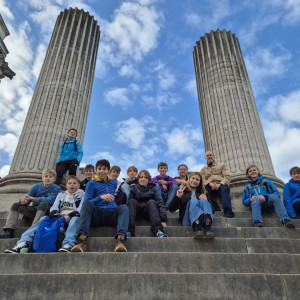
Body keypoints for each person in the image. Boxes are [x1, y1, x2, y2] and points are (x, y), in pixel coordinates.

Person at [4, 175, 85, 253]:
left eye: (74, 183)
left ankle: (68, 244)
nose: (72, 185)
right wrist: (54, 212)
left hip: (74, 215)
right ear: (66, 185)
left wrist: (70, 215)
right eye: (69, 183)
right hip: (60, 216)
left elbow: (81, 208)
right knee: (43, 219)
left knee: (75, 219)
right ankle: (23, 243)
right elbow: (55, 206)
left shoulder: (82, 194)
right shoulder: (61, 194)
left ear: (78, 186)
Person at [71, 159, 129, 252]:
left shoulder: (113, 183)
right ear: (96, 170)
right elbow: (87, 201)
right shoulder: (91, 183)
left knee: (124, 207)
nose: (102, 171)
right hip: (96, 215)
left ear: (108, 171)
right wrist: (100, 197)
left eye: (104, 169)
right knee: (86, 204)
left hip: (111, 215)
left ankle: (120, 241)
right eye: (99, 169)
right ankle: (82, 241)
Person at [0, 169, 61, 239]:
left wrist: (35, 199)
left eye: (50, 177)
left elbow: (51, 200)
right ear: (42, 178)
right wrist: (23, 200)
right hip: (34, 210)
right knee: (16, 205)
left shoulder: (56, 188)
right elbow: (28, 196)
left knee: (43, 203)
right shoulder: (36, 186)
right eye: (46, 176)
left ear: (54, 179)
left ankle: (34, 230)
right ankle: (9, 230)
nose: (48, 178)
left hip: (46, 212)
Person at [169, 172, 215, 238]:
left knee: (203, 200)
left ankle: (208, 226)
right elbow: (171, 208)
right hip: (187, 219)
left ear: (200, 182)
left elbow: (212, 211)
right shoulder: (182, 191)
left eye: (197, 179)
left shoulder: (204, 193)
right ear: (189, 179)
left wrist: (206, 200)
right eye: (193, 178)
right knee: (193, 200)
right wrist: (178, 197)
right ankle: (196, 225)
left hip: (203, 220)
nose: (194, 181)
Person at [127, 170, 168, 238]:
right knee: (131, 201)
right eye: (141, 177)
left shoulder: (154, 189)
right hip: (136, 211)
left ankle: (158, 230)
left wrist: (163, 219)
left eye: (145, 177)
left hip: (149, 211)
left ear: (148, 180)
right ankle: (129, 231)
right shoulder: (133, 189)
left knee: (151, 201)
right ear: (138, 179)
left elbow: (160, 203)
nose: (143, 179)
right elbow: (128, 205)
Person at [200, 151, 234, 218]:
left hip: (221, 184)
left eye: (210, 155)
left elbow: (227, 176)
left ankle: (228, 212)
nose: (209, 156)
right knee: (204, 189)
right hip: (209, 185)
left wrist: (219, 185)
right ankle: (215, 207)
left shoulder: (222, 165)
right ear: (205, 158)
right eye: (207, 156)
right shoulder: (203, 169)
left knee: (224, 190)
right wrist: (210, 184)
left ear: (214, 156)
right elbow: (203, 180)